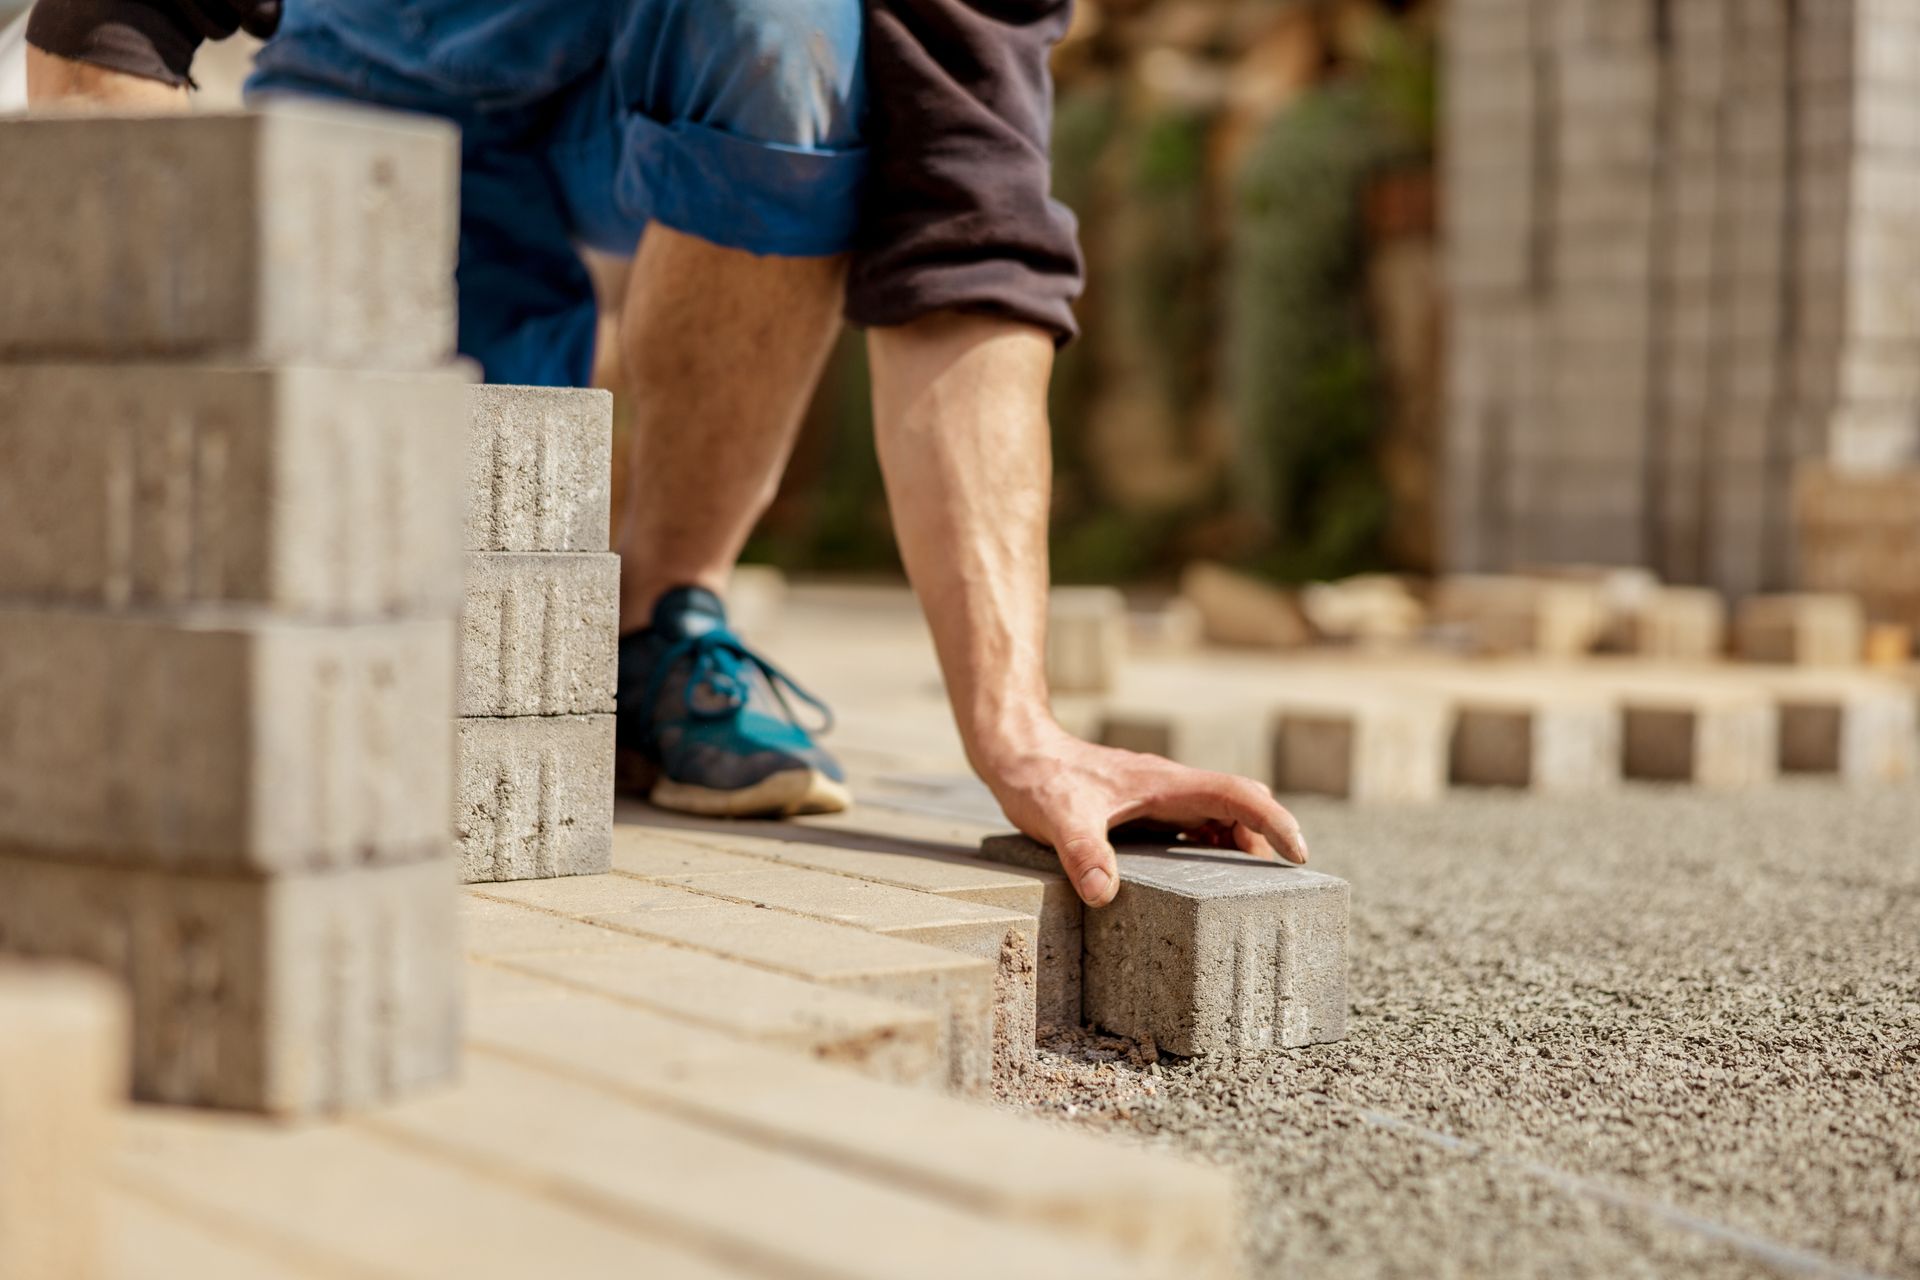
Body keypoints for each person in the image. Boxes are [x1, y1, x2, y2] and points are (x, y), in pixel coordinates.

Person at [25, 0, 1310, 906]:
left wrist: (1017, 724)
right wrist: (124, 548)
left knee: (785, 29)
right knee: (420, 613)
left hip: (674, 91)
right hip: (386, 89)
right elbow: (104, 43)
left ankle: (646, 627)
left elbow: (969, 241)